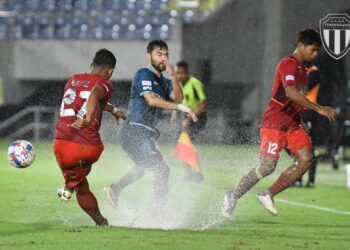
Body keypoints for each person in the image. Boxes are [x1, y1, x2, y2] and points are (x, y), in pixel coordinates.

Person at [221, 29, 337, 217]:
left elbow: (295, 99)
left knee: (306, 159)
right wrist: (319, 108)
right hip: (274, 123)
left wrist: (300, 119)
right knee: (268, 166)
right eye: (313, 50)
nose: (315, 54)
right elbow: (291, 93)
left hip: (293, 124)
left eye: (317, 51)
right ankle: (232, 195)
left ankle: (267, 193)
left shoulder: (304, 71)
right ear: (300, 46)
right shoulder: (287, 64)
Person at [105, 40, 197, 216]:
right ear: (149, 56)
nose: (163, 58)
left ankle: (116, 189)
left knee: (148, 166)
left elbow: (178, 97)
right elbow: (151, 100)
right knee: (160, 169)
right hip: (134, 130)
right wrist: (178, 108)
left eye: (166, 55)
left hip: (143, 133)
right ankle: (157, 213)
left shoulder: (165, 82)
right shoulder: (143, 74)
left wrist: (174, 76)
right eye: (159, 54)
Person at [54, 49, 126, 226]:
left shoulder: (73, 80)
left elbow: (91, 98)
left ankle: (69, 185)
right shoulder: (105, 83)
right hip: (88, 147)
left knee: (80, 182)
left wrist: (114, 110)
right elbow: (95, 93)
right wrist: (87, 119)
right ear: (109, 71)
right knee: (81, 180)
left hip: (61, 145)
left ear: (91, 65)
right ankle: (101, 221)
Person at [171, 61, 207, 181]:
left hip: (198, 117)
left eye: (182, 73)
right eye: (177, 73)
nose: (179, 75)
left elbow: (202, 105)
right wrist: (175, 113)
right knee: (180, 145)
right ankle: (191, 174)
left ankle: (197, 174)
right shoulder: (179, 85)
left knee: (186, 144)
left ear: (187, 73)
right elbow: (179, 102)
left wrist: (190, 119)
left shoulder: (195, 83)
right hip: (188, 118)